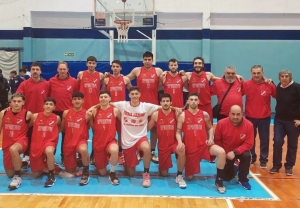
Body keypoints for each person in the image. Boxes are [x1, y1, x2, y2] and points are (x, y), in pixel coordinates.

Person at [176, 93, 226, 193]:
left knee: (221, 152)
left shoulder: (204, 114)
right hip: (190, 149)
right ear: (188, 101)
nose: (193, 101)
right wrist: (180, 142)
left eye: (195, 99)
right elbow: (178, 132)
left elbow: (211, 128)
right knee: (189, 177)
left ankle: (219, 180)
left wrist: (211, 138)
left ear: (199, 101)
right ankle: (179, 174)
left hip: (204, 146)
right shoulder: (183, 115)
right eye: (191, 99)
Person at [126, 51, 164, 163]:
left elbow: (163, 82)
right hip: (139, 106)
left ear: (152, 60)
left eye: (149, 59)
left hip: (153, 105)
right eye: (145, 59)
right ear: (143, 60)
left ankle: (152, 151)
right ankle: (138, 151)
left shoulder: (158, 71)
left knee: (154, 129)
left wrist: (156, 89)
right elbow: (125, 79)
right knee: (138, 128)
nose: (147, 61)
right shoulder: (137, 70)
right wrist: (132, 90)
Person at [148, 93, 187, 188]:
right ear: (160, 103)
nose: (165, 103)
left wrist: (180, 142)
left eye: (167, 101)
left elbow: (181, 128)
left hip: (174, 143)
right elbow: (148, 128)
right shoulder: (155, 114)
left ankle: (179, 175)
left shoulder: (176, 113)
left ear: (171, 102)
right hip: (162, 146)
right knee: (164, 174)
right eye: (163, 101)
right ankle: (161, 166)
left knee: (182, 149)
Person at [17, 62, 50, 169]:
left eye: (37, 69)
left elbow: (51, 99)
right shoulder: (24, 84)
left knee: (42, 137)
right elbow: (18, 98)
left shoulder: (46, 84)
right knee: (28, 136)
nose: (35, 71)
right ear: (30, 71)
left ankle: (43, 156)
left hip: (43, 116)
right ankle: (26, 156)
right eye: (33, 69)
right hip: (28, 116)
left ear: (40, 71)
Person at [242, 65, 276, 168]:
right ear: (251, 73)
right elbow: (236, 93)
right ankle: (252, 157)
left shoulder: (269, 85)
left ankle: (263, 160)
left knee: (264, 139)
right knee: (250, 140)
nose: (256, 75)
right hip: (249, 117)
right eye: (254, 73)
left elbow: (278, 95)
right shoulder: (246, 84)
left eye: (258, 73)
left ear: (262, 73)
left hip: (264, 118)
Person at [214, 105, 254, 190]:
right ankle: (236, 166)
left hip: (239, 152)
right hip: (226, 153)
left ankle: (243, 179)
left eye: (238, 114)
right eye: (233, 114)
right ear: (229, 114)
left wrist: (235, 152)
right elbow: (217, 141)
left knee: (247, 155)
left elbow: (249, 143)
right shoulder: (221, 123)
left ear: (242, 114)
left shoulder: (249, 125)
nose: (235, 117)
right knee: (227, 177)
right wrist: (223, 154)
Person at [270, 70, 300, 176]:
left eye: (286, 76)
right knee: (277, 142)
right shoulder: (279, 87)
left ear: (290, 77)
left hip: (293, 122)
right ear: (279, 78)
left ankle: (289, 167)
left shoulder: (297, 87)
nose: (284, 78)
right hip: (279, 120)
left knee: (292, 145)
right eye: (282, 76)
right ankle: (276, 166)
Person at [102, 60, 132, 165]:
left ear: (121, 68)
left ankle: (120, 153)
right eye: (113, 66)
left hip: (121, 110)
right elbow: (103, 93)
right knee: (108, 131)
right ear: (111, 68)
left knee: (120, 132)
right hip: (109, 109)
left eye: (117, 66)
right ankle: (105, 151)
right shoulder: (106, 80)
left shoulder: (125, 79)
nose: (115, 68)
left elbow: (132, 92)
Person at [77, 56, 106, 164]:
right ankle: (80, 154)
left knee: (96, 132)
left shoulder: (100, 75)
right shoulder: (81, 74)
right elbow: (77, 86)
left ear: (96, 64)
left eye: (93, 63)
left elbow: (104, 86)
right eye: (89, 63)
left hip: (95, 108)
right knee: (81, 133)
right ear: (86, 63)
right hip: (83, 108)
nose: (91, 65)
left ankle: (94, 153)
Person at [0, 93, 32, 190]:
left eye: (19, 101)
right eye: (14, 101)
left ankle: (17, 177)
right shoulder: (3, 113)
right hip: (7, 144)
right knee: (9, 173)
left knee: (13, 149)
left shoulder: (28, 114)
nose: (16, 103)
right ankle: (21, 164)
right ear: (11, 103)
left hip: (21, 141)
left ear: (23, 103)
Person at [49, 62, 78, 165]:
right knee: (52, 136)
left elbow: (76, 96)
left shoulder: (74, 81)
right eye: (60, 69)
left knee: (67, 137)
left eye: (64, 69)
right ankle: (50, 157)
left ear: (67, 69)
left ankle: (64, 157)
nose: (62, 71)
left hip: (68, 113)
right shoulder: (51, 81)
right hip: (54, 113)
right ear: (57, 69)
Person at [60, 92, 91, 185]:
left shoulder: (87, 114)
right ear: (72, 101)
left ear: (83, 101)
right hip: (69, 141)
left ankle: (86, 172)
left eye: (79, 99)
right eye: (75, 99)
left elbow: (93, 127)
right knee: (70, 172)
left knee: (84, 149)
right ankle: (77, 162)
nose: (77, 101)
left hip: (80, 140)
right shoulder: (66, 113)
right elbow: (62, 128)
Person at [91, 90, 121, 185]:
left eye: (105, 97)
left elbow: (123, 122)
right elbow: (92, 124)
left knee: (115, 150)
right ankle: (99, 160)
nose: (103, 99)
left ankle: (112, 173)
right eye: (101, 97)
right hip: (98, 143)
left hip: (110, 141)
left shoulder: (115, 110)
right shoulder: (95, 111)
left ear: (110, 99)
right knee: (102, 173)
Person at [29, 97, 61, 187]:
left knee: (49, 151)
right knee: (36, 175)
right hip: (37, 143)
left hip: (49, 141)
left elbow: (60, 127)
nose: (48, 106)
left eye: (51, 104)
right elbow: (28, 126)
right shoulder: (35, 116)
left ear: (54, 107)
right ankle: (47, 166)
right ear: (43, 106)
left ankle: (51, 175)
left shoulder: (57, 118)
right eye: (46, 104)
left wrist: (53, 135)